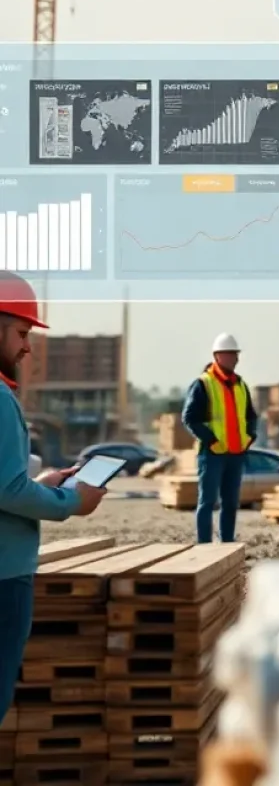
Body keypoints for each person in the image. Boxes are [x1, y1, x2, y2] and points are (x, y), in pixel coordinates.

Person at [0, 274, 106, 722]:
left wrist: (41, 484)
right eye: (22, 333)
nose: (28, 347)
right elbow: (6, 489)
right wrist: (70, 502)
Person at [181, 333, 258, 544]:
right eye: (230, 354)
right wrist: (211, 441)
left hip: (236, 454)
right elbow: (189, 418)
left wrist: (249, 437)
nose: (235, 359)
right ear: (218, 356)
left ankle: (227, 543)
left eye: (236, 354)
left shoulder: (241, 385)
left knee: (231, 503)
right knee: (207, 502)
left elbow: (251, 416)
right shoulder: (203, 384)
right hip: (212, 454)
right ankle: (205, 546)